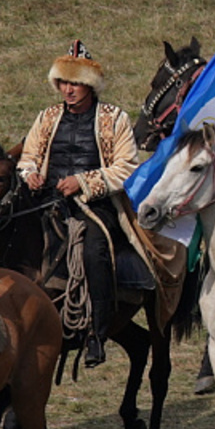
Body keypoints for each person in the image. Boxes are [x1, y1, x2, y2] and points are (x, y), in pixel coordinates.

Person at [16, 41, 140, 367]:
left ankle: (97, 335)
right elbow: (27, 158)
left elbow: (126, 168)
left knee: (94, 251)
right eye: (64, 83)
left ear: (90, 85)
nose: (68, 90)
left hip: (95, 207)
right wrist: (30, 175)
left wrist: (83, 182)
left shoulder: (115, 119)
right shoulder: (47, 117)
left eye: (76, 83)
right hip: (49, 203)